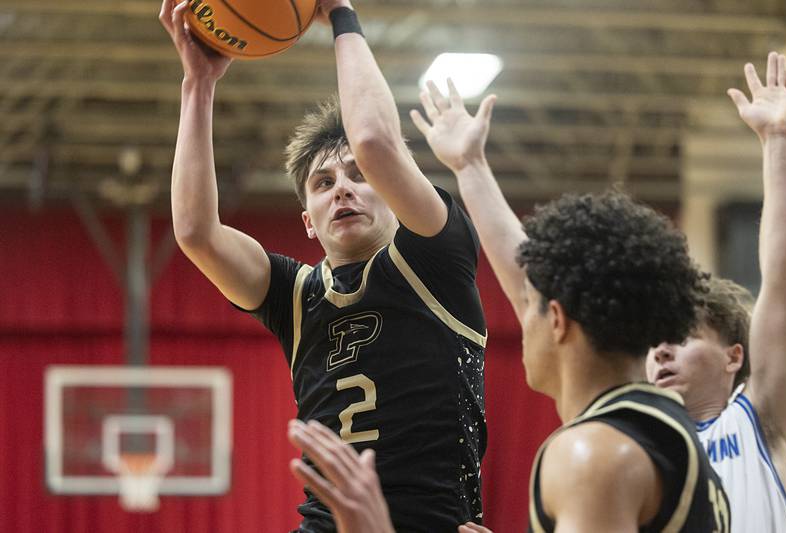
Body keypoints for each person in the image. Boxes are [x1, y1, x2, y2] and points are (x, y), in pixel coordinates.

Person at [289, 79, 732, 532]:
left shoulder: (593, 454)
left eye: (531, 305)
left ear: (557, 320)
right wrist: (469, 165)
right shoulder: (668, 429)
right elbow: (529, 271)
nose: (523, 312)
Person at [159, 0, 488, 530]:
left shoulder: (435, 255)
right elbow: (196, 232)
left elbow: (376, 141)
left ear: (392, 190)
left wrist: (341, 14)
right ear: (308, 221)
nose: (343, 191)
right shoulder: (295, 295)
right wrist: (198, 84)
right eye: (323, 184)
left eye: (359, 176)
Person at [646, 52, 786, 533]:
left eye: (684, 337)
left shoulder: (759, 419)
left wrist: (778, 140)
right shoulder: (633, 453)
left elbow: (783, 281)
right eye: (654, 343)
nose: (662, 352)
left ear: (735, 356)